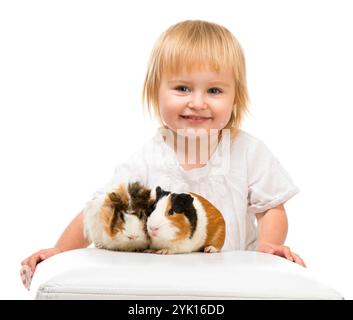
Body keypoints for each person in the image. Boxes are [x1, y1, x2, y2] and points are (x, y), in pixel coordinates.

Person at [21, 19, 306, 289]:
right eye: (182, 88)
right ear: (155, 92)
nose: (197, 102)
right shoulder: (149, 157)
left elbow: (271, 208)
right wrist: (60, 251)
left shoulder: (247, 151)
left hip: (230, 282)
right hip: (158, 281)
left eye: (214, 90)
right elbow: (101, 208)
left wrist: (267, 249)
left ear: (236, 98)